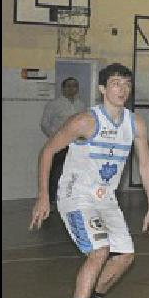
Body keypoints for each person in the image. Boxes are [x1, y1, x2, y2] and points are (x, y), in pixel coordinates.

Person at [29, 63, 149, 298]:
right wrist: (42, 195)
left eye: (126, 83)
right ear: (102, 88)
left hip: (105, 198)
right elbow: (48, 150)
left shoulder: (135, 123)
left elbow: (146, 164)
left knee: (125, 255)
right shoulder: (85, 121)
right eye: (115, 83)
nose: (122, 89)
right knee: (99, 251)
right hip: (76, 196)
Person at [40, 76, 86, 210]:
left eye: (75, 86)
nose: (72, 88)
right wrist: (55, 139)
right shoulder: (54, 104)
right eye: (69, 86)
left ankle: (72, 198)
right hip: (60, 145)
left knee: (75, 172)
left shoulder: (81, 104)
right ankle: (51, 200)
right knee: (56, 172)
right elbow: (44, 124)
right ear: (63, 88)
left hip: (77, 145)